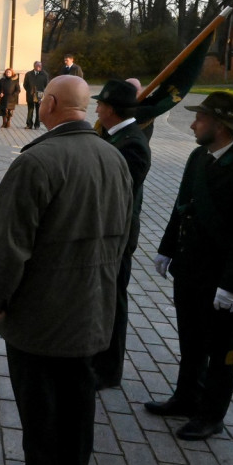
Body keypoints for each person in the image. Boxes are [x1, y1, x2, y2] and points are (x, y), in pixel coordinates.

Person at [0, 75, 132, 465]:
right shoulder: (113, 157)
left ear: (47, 103)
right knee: (78, 390)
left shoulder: (37, 161)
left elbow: (10, 248)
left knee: (38, 394)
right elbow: (124, 232)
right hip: (92, 300)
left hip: (43, 308)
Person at [146, 92, 233, 441]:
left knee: (221, 351)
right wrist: (166, 249)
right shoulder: (197, 157)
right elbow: (181, 206)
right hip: (189, 269)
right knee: (191, 340)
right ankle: (186, 397)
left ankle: (211, 414)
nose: (192, 124)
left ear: (219, 125)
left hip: (221, 278)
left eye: (199, 119)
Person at [90, 80, 151, 389]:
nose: (97, 108)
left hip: (117, 235)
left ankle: (108, 370)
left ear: (111, 109)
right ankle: (96, 359)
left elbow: (116, 192)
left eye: (100, 104)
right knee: (101, 299)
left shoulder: (132, 144)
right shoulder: (114, 135)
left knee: (113, 301)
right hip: (105, 233)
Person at [22, 60, 48, 130]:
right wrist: (29, 90)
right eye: (37, 65)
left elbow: (46, 85)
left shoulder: (44, 74)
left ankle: (37, 125)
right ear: (34, 66)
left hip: (39, 94)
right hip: (30, 94)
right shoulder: (28, 74)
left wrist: (42, 92)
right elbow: (25, 84)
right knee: (30, 110)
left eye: (40, 66)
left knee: (38, 110)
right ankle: (29, 124)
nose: (39, 67)